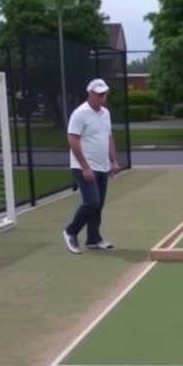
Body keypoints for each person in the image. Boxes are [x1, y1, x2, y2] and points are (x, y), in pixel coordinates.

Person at [62, 78, 121, 254]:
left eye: (105, 94)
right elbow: (72, 139)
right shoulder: (80, 113)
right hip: (84, 167)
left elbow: (108, 137)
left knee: (99, 204)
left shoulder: (106, 113)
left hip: (102, 166)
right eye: (99, 94)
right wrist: (85, 167)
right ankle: (70, 231)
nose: (103, 97)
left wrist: (114, 161)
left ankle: (93, 239)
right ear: (90, 94)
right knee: (92, 202)